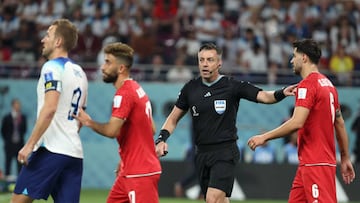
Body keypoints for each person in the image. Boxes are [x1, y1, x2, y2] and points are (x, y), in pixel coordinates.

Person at [155, 43, 297, 203]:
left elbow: (264, 96)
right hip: (201, 154)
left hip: (225, 151)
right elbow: (173, 118)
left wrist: (282, 92)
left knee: (212, 199)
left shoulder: (232, 86)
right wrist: (161, 139)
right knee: (219, 200)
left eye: (210, 60)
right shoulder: (190, 88)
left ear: (219, 63)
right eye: (201, 60)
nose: (205, 64)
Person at [247, 39, 356, 203]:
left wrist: (264, 137)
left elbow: (297, 122)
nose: (292, 60)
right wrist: (345, 157)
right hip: (311, 163)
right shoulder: (328, 85)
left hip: (316, 164)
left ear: (304, 57)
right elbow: (339, 123)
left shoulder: (307, 85)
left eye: (294, 56)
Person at [11, 18, 88, 203]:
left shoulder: (51, 67)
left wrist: (30, 145)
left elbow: (50, 108)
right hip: (74, 153)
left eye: (48, 35)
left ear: (58, 41)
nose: (43, 40)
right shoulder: (81, 73)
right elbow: (81, 118)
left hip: (51, 149)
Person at [74, 42, 162, 203]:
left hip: (139, 173)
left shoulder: (125, 94)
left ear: (121, 68)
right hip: (129, 170)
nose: (102, 67)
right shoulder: (136, 88)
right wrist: (127, 157)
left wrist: (89, 122)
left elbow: (111, 131)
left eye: (108, 62)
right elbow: (151, 128)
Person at [1, 98, 27, 178]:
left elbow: (24, 130)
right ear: (13, 106)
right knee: (8, 163)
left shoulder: (22, 117)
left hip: (19, 144)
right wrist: (8, 140)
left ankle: (20, 179)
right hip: (9, 144)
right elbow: (3, 130)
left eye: (19, 105)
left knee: (20, 163)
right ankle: (7, 182)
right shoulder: (7, 117)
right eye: (16, 104)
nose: (18, 106)